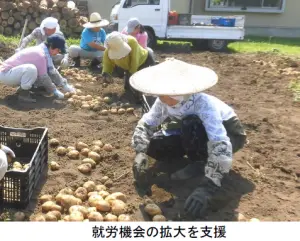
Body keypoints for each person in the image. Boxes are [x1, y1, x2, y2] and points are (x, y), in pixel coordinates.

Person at [130, 58, 247, 218]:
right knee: (154, 143)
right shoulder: (163, 101)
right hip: (190, 132)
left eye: (165, 94)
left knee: (190, 124)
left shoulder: (203, 104)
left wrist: (207, 188)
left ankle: (200, 163)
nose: (161, 97)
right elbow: (147, 124)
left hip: (229, 133)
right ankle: (194, 156)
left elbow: (220, 143)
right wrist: (140, 152)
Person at [0, 33, 75, 103]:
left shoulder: (44, 51)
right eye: (58, 50)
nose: (58, 52)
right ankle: (23, 94)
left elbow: (52, 71)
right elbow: (44, 77)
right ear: (51, 46)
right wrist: (54, 91)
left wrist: (64, 84)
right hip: (6, 74)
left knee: (36, 72)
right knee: (31, 69)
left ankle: (23, 89)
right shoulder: (40, 55)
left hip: (12, 73)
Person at [102, 31, 155, 101]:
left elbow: (135, 61)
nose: (121, 56)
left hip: (143, 61)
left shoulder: (132, 42)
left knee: (140, 85)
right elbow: (107, 64)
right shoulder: (107, 51)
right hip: (127, 66)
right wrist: (106, 74)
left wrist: (132, 78)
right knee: (127, 88)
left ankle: (143, 97)